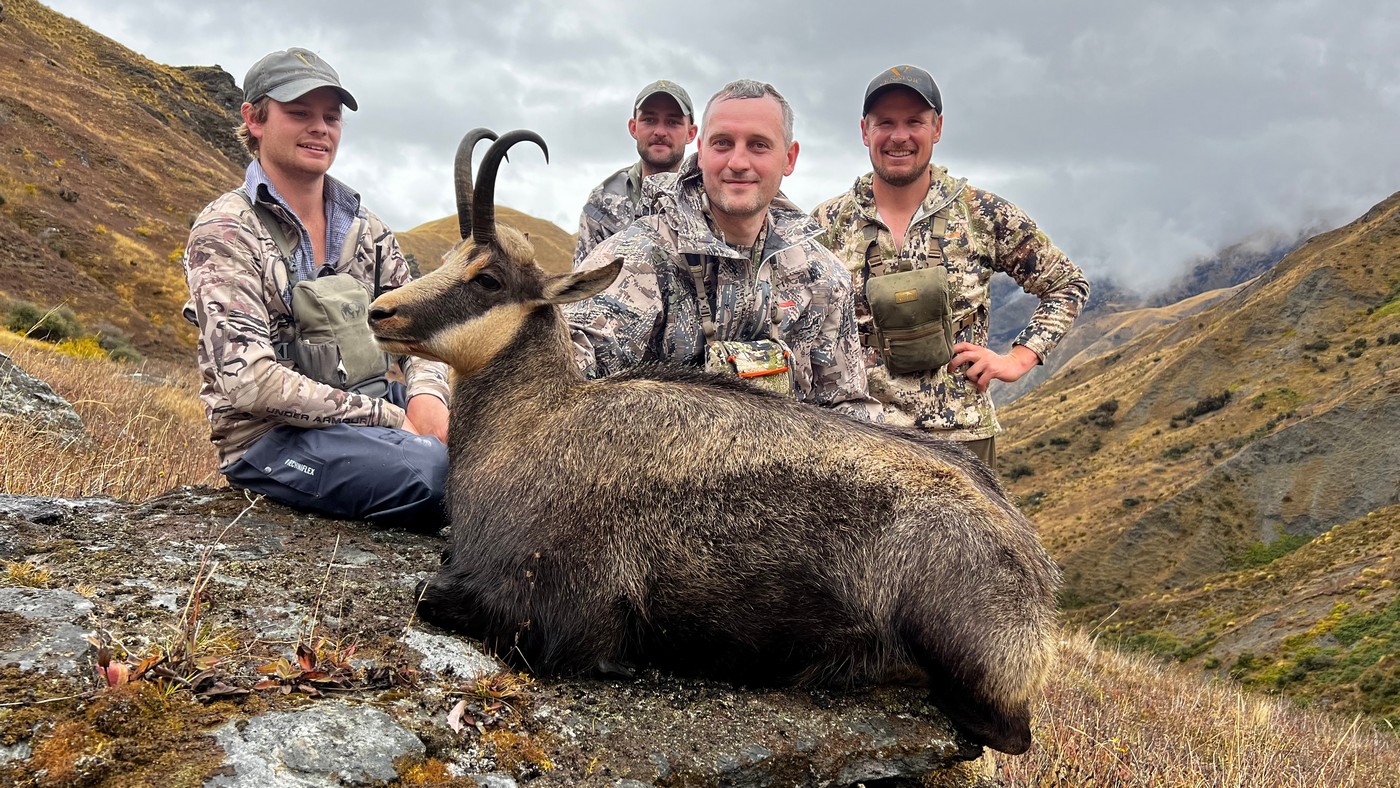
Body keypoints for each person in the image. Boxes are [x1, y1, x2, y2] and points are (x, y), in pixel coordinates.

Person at [182, 47, 451, 526]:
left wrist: (426, 398)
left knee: (503, 438)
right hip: (271, 438)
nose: (320, 128)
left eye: (331, 116)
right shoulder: (224, 231)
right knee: (429, 473)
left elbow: (422, 335)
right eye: (300, 113)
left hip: (370, 406)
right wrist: (393, 420)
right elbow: (251, 384)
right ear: (255, 119)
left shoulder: (366, 228)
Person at [812, 65, 1090, 467]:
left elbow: (1066, 283)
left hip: (962, 437)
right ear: (864, 131)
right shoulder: (828, 222)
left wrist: (1017, 359)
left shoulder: (981, 212)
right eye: (885, 122)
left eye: (915, 122)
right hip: (861, 438)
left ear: (937, 128)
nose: (899, 136)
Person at [566, 79, 879, 420]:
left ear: (789, 158)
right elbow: (566, 374)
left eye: (759, 145)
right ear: (700, 151)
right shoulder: (637, 260)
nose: (738, 162)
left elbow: (848, 406)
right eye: (722, 144)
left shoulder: (823, 277)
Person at [572, 79, 698, 268]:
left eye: (673, 122)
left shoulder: (710, 196)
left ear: (691, 133)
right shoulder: (603, 202)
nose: (660, 131)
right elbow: (584, 281)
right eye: (649, 120)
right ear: (633, 128)